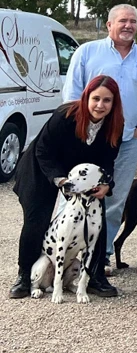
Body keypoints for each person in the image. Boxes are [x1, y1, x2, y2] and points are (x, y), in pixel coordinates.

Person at [63, 3, 137, 288]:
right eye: (122, 21)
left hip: (128, 140)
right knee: (77, 193)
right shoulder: (88, 52)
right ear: (108, 25)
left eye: (133, 21)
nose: (128, 26)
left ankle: (101, 256)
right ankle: (69, 255)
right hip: (89, 138)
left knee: (115, 199)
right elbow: (71, 93)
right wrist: (76, 129)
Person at [9, 76, 124, 299]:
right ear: (86, 97)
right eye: (96, 99)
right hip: (42, 169)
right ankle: (25, 275)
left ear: (114, 103)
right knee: (37, 220)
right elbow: (43, 151)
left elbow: (108, 160)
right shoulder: (66, 115)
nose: (100, 105)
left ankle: (96, 276)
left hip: (81, 174)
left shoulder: (116, 124)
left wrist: (106, 185)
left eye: (107, 100)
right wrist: (60, 180)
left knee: (96, 218)